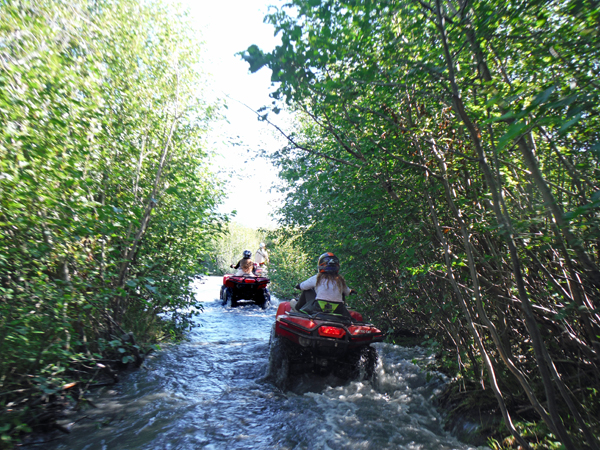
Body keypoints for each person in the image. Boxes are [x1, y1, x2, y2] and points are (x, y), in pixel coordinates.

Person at [294, 252, 356, 317]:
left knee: (307, 291)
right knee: (342, 293)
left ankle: (298, 309)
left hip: (319, 307)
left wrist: (298, 286)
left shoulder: (317, 278)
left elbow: (303, 286)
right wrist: (351, 291)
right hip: (338, 309)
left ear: (321, 265)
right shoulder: (340, 280)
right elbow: (347, 292)